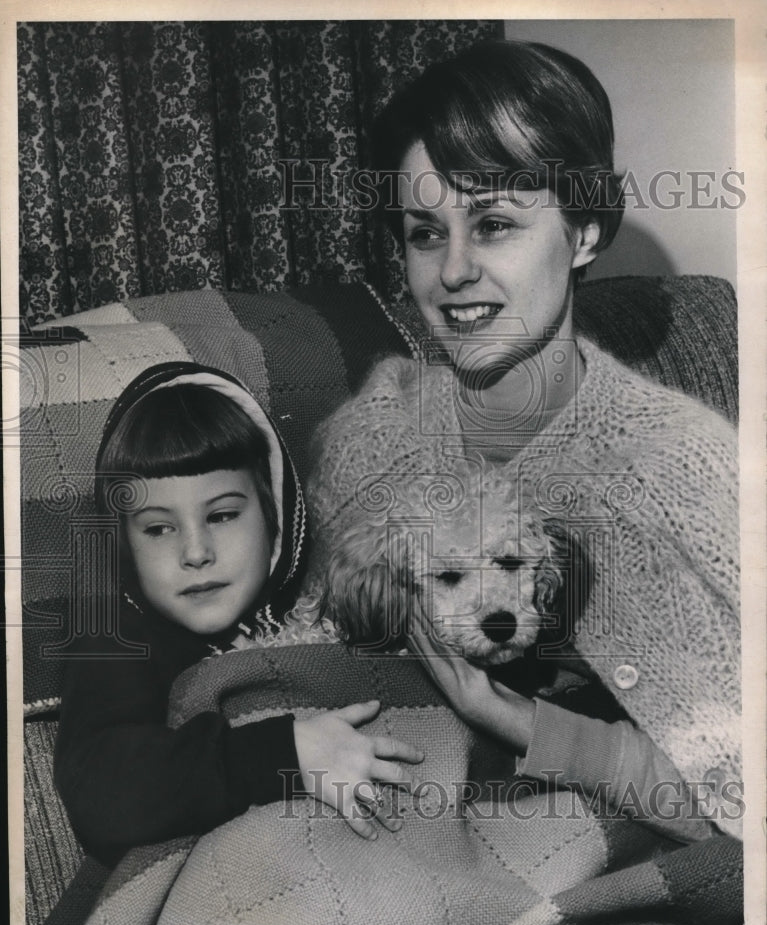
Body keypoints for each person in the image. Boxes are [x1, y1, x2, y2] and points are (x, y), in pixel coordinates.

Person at [308, 40, 741, 841]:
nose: (454, 271)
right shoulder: (372, 433)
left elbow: (737, 804)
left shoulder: (684, 467)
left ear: (581, 234)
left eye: (495, 222)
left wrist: (514, 717)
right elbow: (300, 662)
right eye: (425, 233)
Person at [54, 361, 423, 868]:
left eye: (223, 515)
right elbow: (101, 792)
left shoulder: (330, 606)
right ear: (121, 544)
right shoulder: (115, 641)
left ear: (274, 515)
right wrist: (286, 754)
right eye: (159, 529)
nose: (197, 552)